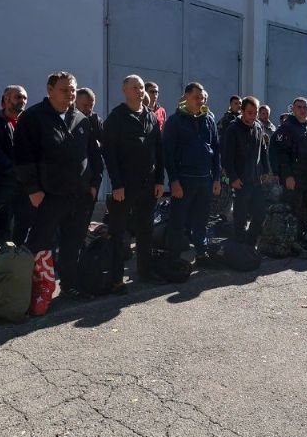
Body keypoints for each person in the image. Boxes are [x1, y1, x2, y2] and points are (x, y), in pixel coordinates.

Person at [15, 72, 103, 306]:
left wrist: (94, 185)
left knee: (72, 244)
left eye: (73, 90)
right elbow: (23, 157)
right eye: (65, 90)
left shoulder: (81, 119)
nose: (70, 94)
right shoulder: (33, 118)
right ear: (50, 90)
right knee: (38, 244)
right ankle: (26, 294)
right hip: (48, 196)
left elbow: (93, 155)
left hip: (79, 196)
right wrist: (33, 190)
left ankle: (70, 286)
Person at [101, 75, 164, 292]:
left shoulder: (151, 117)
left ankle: (145, 272)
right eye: (134, 87)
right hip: (124, 186)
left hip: (148, 185)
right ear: (125, 91)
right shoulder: (116, 117)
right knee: (119, 233)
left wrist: (159, 181)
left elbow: (159, 151)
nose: (139, 91)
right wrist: (116, 184)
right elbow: (108, 152)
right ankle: (116, 278)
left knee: (145, 230)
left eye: (141, 87)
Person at [163, 82, 222, 263]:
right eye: (197, 97)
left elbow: (216, 150)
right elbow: (168, 153)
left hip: (205, 178)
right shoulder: (174, 121)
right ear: (186, 96)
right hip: (184, 179)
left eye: (203, 98)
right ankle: (172, 255)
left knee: (201, 218)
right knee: (178, 219)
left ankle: (201, 251)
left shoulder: (209, 120)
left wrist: (217, 178)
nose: (200, 101)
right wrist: (174, 181)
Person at [0, 85, 32, 244]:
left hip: (25, 186)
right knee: (2, 227)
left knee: (23, 225)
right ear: (6, 99)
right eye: (18, 97)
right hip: (4, 185)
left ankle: (17, 260)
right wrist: (14, 171)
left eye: (24, 98)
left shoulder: (27, 123)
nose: (22, 101)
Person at [272, 97, 307, 241]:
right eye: (298, 107)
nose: (302, 110)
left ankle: (305, 239)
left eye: (304, 107)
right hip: (294, 178)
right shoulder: (287, 127)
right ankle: (292, 241)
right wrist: (287, 176)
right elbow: (281, 153)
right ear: (293, 109)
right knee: (294, 209)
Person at [223, 96, 270, 245]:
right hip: (240, 181)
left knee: (260, 213)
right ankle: (239, 245)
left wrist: (266, 170)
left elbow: (262, 149)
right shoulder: (233, 128)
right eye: (250, 112)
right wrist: (233, 178)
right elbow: (226, 157)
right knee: (241, 216)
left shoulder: (258, 126)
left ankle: (250, 243)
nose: (253, 116)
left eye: (255, 113)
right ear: (242, 111)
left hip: (256, 179)